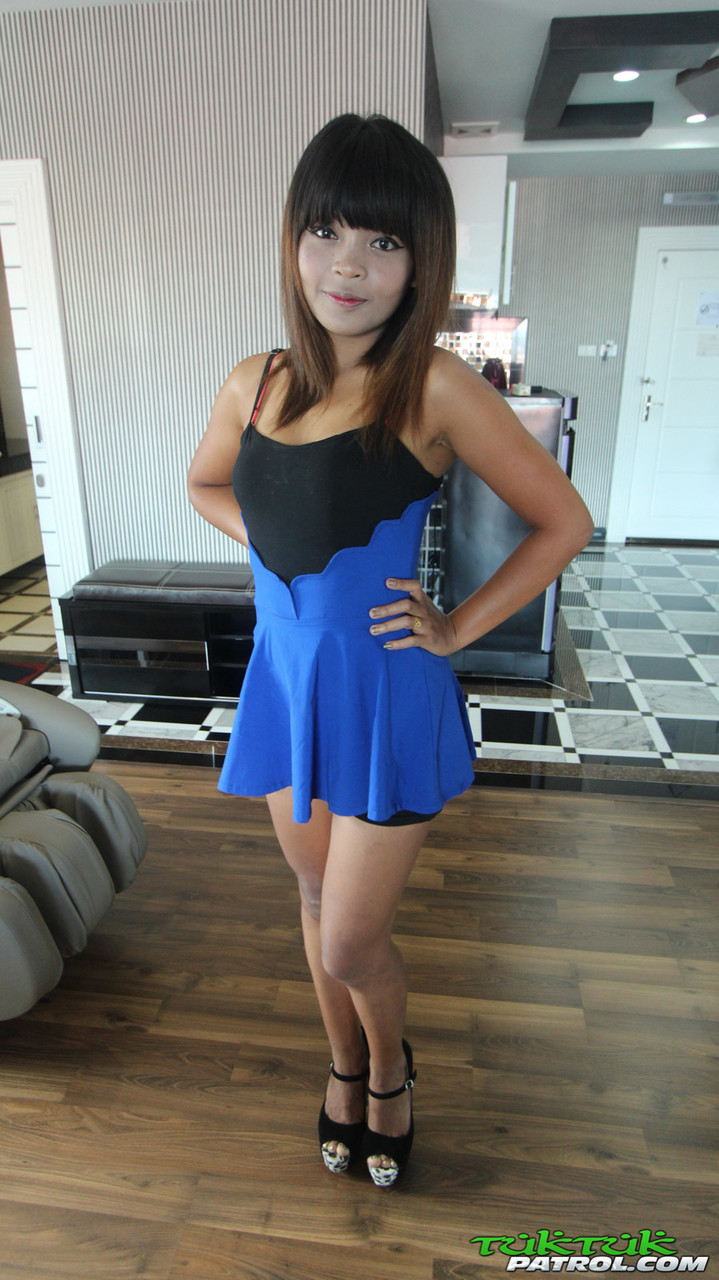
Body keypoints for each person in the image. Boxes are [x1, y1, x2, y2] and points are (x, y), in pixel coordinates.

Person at [187, 113, 594, 1189]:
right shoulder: (255, 381)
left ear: (420, 262)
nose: (348, 265)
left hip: (383, 690)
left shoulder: (436, 386)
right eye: (325, 232)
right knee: (313, 903)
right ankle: (342, 1067)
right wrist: (277, 553)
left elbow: (562, 521)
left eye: (382, 241)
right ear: (293, 239)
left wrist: (455, 627)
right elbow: (207, 483)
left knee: (349, 941)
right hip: (288, 683)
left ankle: (391, 1071)